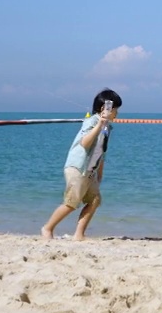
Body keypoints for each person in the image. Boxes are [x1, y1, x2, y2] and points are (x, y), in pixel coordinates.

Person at [42, 88, 122, 241]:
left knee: (95, 200)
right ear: (103, 109)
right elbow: (85, 143)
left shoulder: (108, 128)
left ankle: (79, 234)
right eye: (115, 109)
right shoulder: (91, 121)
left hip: (90, 170)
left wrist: (99, 174)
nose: (116, 113)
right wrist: (100, 123)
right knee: (71, 203)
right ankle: (47, 228)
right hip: (78, 167)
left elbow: (101, 152)